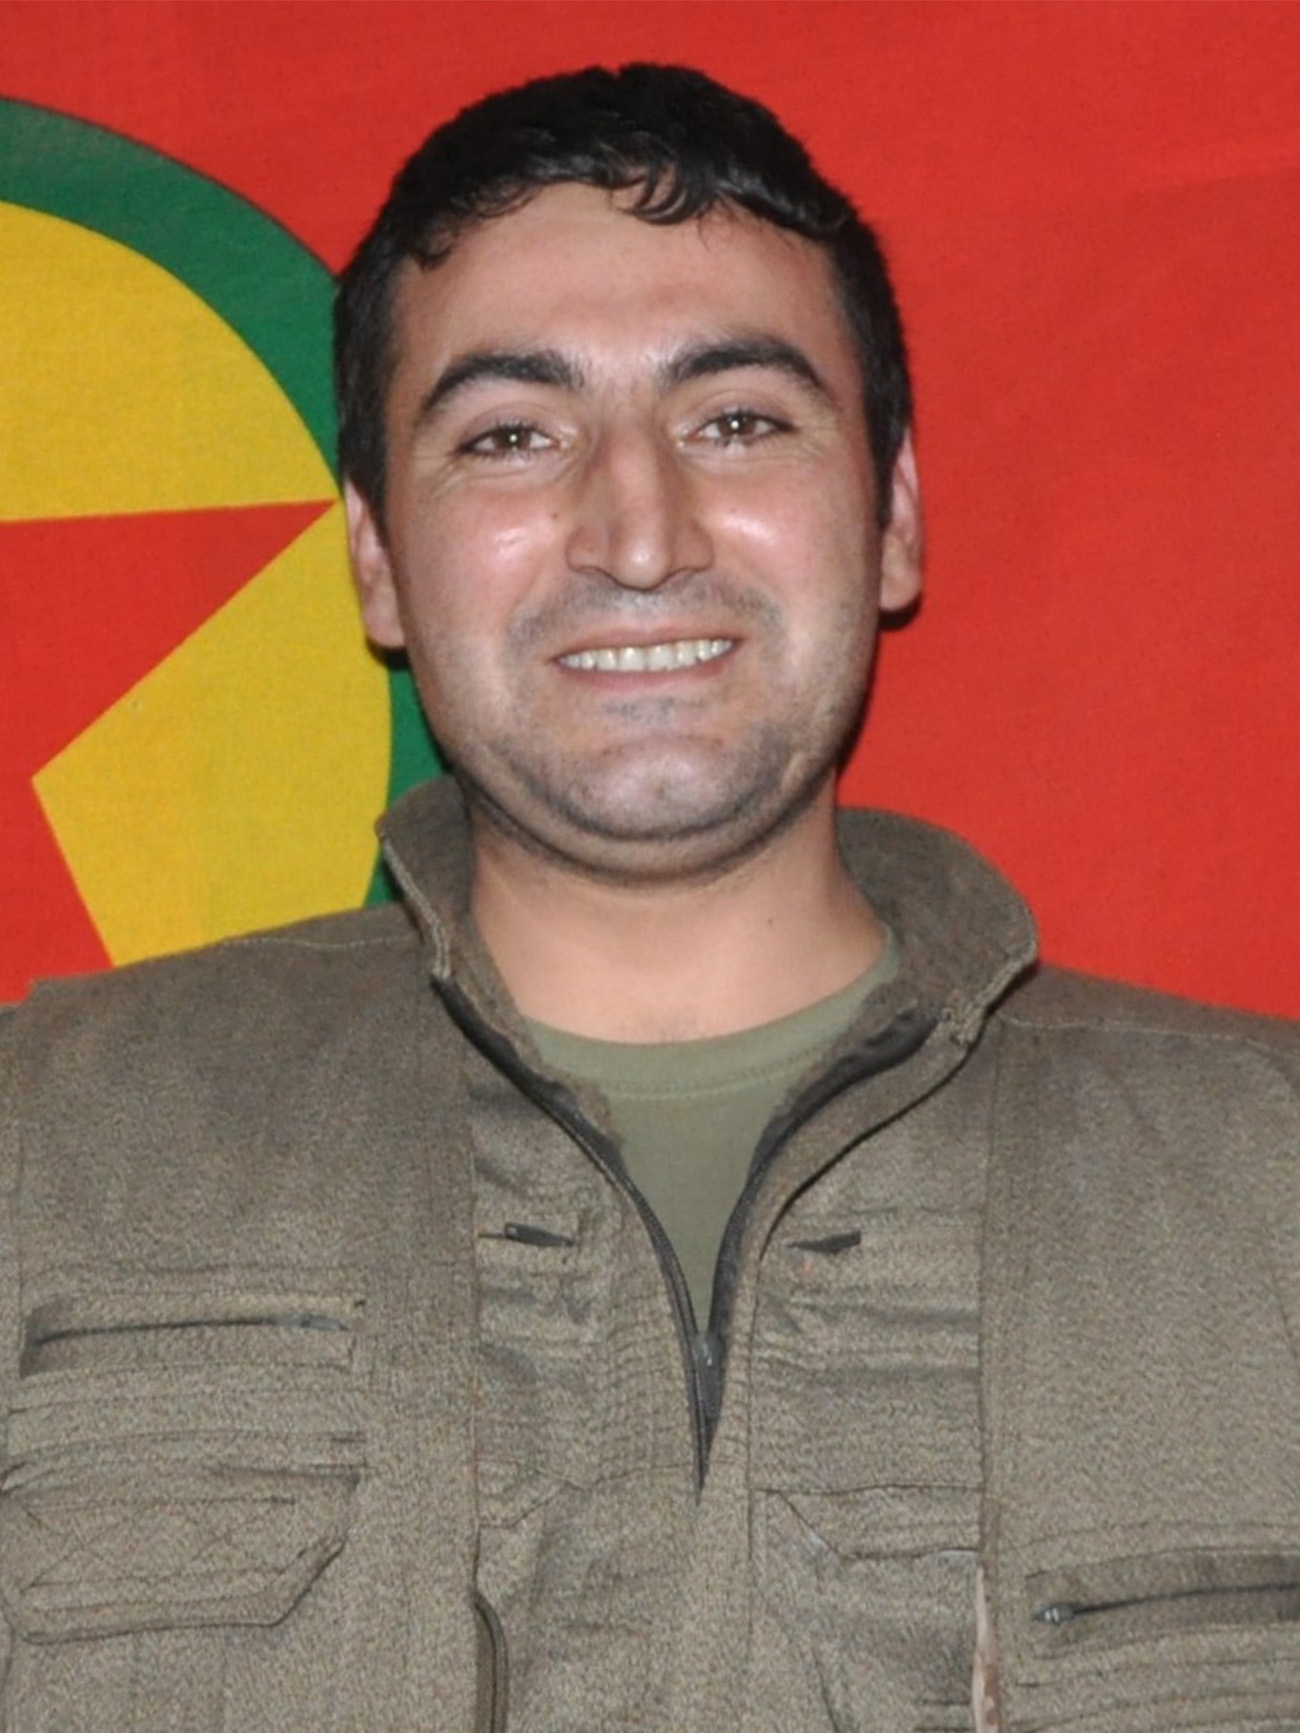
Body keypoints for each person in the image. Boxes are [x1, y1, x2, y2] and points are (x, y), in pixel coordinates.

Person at [3, 61, 1300, 1733]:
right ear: (377, 559)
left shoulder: (1268, 1178)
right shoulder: (45, 1149)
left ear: (893, 516)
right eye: (511, 435)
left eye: (736, 420)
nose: (636, 532)